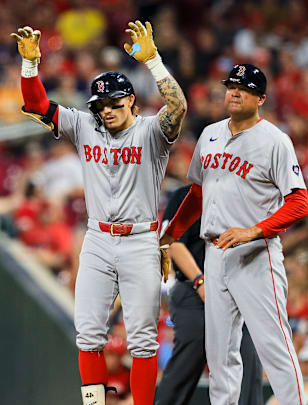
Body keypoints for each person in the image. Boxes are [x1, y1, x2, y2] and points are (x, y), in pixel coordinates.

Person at [10, 20, 187, 405]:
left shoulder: (151, 132)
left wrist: (153, 60)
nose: (106, 110)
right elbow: (38, 105)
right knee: (88, 334)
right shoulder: (85, 125)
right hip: (97, 238)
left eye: (114, 103)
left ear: (132, 103)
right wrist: (30, 67)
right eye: (101, 104)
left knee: (142, 338)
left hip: (141, 239)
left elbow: (179, 106)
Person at [160, 64, 308, 405]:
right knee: (221, 352)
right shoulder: (210, 134)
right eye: (230, 86)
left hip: (257, 253)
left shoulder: (275, 140)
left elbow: (300, 203)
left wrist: (254, 230)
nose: (234, 92)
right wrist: (171, 235)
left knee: (274, 346)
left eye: (243, 87)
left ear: (261, 98)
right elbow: (197, 194)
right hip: (215, 254)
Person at [155, 184, 264, 405]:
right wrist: (200, 281)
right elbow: (171, 242)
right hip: (194, 292)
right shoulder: (184, 194)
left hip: (236, 290)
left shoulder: (242, 193)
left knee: (248, 358)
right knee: (190, 353)